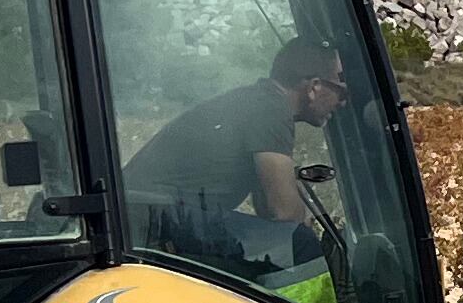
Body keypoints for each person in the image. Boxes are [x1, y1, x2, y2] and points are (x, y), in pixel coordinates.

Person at [122, 36, 348, 238]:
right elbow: (286, 214)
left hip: (150, 216)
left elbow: (268, 209)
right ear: (314, 87)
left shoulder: (257, 101)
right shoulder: (272, 110)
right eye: (341, 91)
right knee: (301, 243)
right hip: (158, 221)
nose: (343, 102)